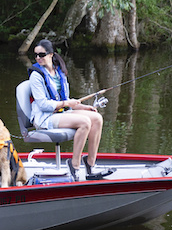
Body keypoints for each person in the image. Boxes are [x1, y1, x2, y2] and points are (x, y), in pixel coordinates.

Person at [27, 39, 110, 180]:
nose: (38, 58)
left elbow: (66, 100)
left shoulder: (58, 72)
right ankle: (74, 165)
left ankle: (90, 165)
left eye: (41, 55)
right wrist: (66, 102)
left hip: (61, 112)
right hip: (44, 117)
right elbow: (43, 105)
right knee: (84, 122)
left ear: (51, 54)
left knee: (97, 118)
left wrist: (83, 106)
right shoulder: (36, 75)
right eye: (36, 55)